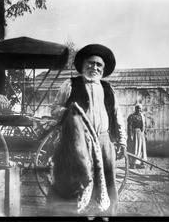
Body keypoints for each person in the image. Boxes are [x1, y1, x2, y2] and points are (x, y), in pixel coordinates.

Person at [51, 44, 127, 216]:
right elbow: (55, 109)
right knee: (78, 183)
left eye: (99, 65)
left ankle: (107, 215)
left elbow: (117, 116)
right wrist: (70, 113)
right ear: (83, 65)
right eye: (91, 63)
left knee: (108, 183)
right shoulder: (70, 84)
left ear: (103, 69)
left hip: (104, 141)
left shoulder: (108, 89)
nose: (94, 67)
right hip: (79, 143)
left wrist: (122, 140)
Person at [127, 103, 147, 169]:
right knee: (134, 148)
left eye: (140, 108)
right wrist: (130, 135)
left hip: (141, 134)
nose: (139, 110)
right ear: (135, 109)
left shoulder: (142, 116)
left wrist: (145, 134)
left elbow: (144, 126)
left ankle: (140, 163)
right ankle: (133, 163)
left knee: (141, 149)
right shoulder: (131, 116)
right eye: (137, 108)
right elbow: (129, 126)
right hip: (134, 133)